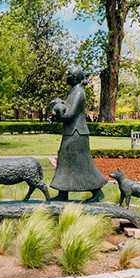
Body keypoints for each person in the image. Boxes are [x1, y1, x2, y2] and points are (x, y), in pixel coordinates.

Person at [49, 65, 107, 202]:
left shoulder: (79, 92)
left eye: (68, 75)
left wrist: (57, 116)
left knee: (82, 164)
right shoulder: (73, 92)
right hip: (72, 133)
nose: (66, 77)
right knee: (65, 161)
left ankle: (97, 192)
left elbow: (70, 114)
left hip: (77, 134)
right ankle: (63, 192)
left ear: (75, 78)